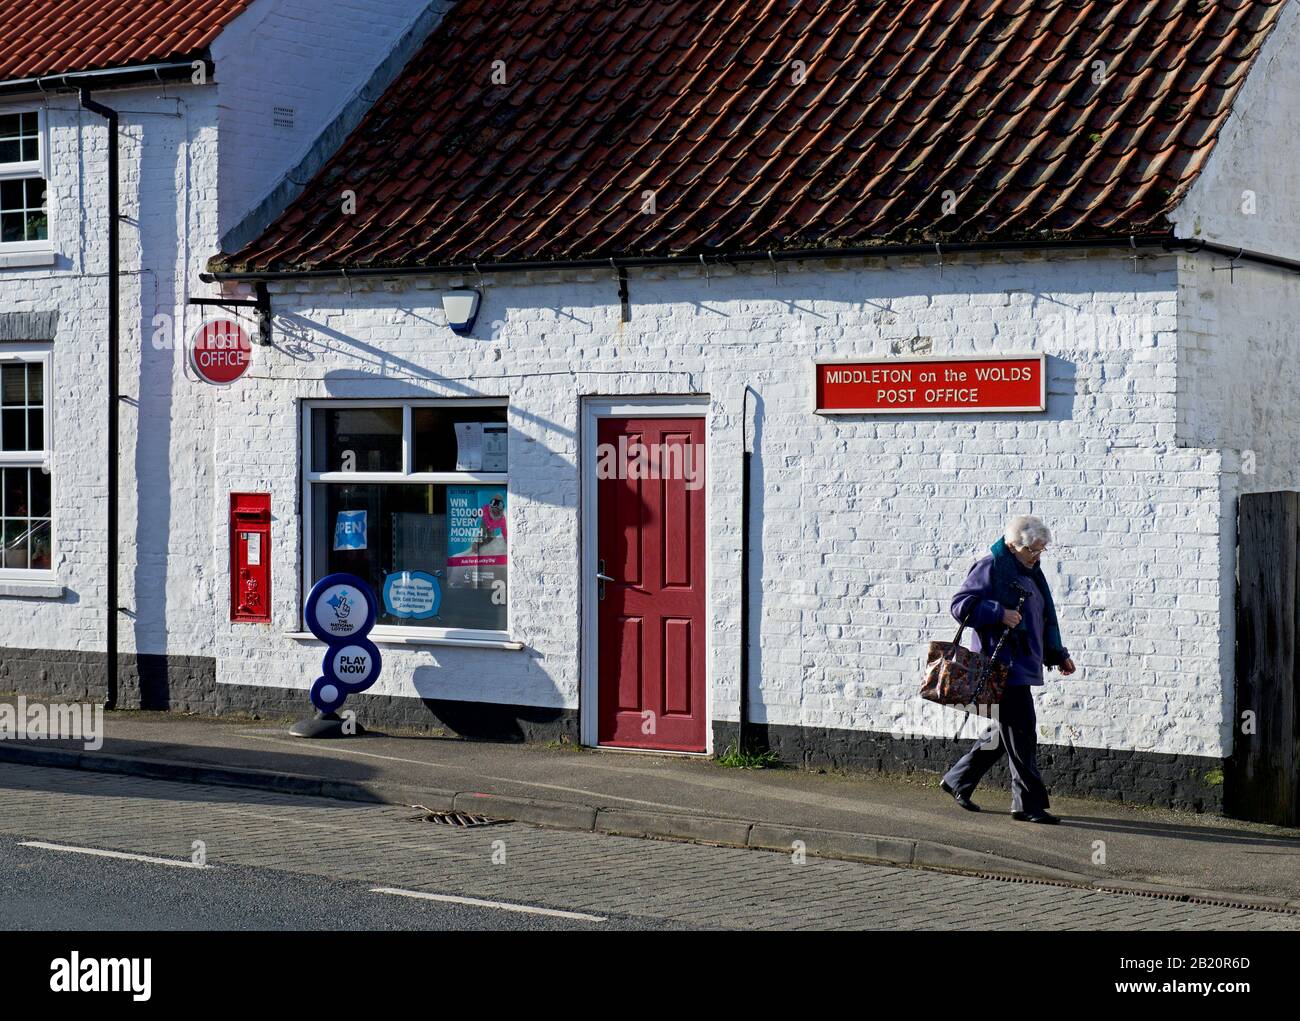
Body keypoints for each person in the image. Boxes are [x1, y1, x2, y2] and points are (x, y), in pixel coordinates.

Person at [939, 514, 1076, 823]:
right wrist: (998, 612)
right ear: (1014, 545)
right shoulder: (992, 566)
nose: (1037, 556)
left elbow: (1042, 618)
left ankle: (958, 779)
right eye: (1033, 550)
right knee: (1023, 733)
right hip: (1000, 665)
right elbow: (960, 605)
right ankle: (1027, 804)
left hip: (1020, 664)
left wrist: (1058, 654)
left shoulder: (1030, 572)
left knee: (1006, 733)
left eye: (1042, 550)